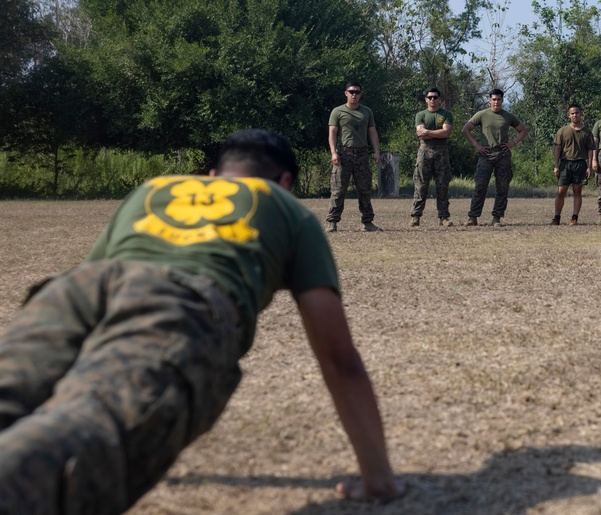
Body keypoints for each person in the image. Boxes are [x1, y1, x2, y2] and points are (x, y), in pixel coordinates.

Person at [0, 130, 405, 513]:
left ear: (213, 176)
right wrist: (379, 480)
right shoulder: (287, 207)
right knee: (82, 433)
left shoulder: (154, 188)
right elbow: (340, 360)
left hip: (78, 288)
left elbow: (96, 280)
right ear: (285, 181)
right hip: (182, 304)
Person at [462, 88, 528, 226]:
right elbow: (466, 129)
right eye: (494, 99)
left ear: (502, 100)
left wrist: (513, 143)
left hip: (503, 154)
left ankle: (496, 217)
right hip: (485, 154)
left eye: (499, 99)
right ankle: (473, 217)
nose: (496, 102)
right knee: (480, 185)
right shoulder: (481, 114)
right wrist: (477, 145)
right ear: (489, 100)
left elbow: (522, 131)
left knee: (502, 187)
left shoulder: (508, 116)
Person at [327, 81, 381, 232]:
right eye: (351, 92)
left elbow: (372, 132)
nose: (354, 95)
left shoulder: (367, 112)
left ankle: (367, 222)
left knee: (365, 190)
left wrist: (377, 151)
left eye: (357, 92)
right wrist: (333, 152)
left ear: (360, 94)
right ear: (346, 93)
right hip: (344, 154)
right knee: (338, 189)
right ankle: (332, 221)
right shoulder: (337, 112)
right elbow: (332, 133)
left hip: (362, 154)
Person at [410, 87, 453, 227]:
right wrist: (436, 132)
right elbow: (420, 133)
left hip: (442, 152)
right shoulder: (420, 115)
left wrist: (428, 132)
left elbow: (446, 133)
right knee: (421, 185)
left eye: (435, 97)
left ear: (439, 99)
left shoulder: (446, 114)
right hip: (424, 151)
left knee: (442, 185)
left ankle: (444, 217)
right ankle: (415, 216)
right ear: (426, 100)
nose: (432, 100)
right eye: (430, 97)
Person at [552, 104, 596, 226]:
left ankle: (575, 217)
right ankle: (556, 217)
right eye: (572, 113)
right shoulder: (562, 131)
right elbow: (557, 148)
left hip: (580, 164)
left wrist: (589, 166)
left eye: (577, 113)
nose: (575, 115)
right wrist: (556, 165)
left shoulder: (587, 132)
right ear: (568, 115)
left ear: (581, 114)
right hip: (565, 164)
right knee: (561, 191)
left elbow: (590, 149)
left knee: (577, 191)